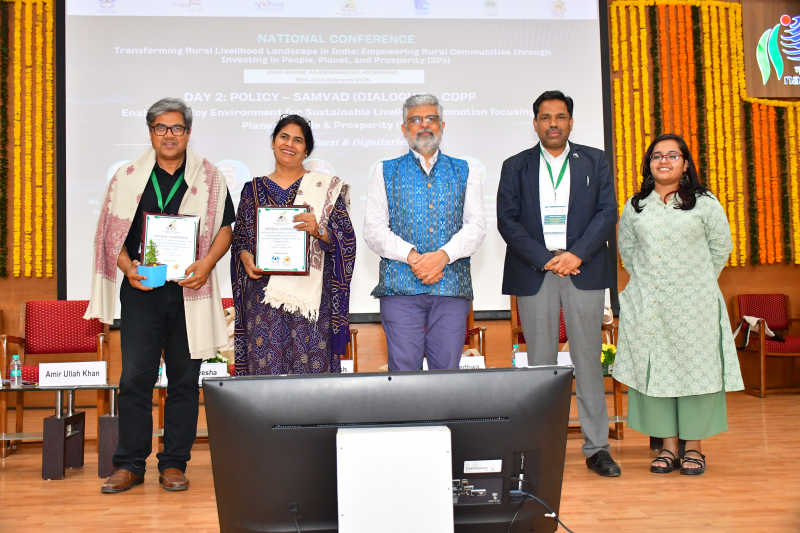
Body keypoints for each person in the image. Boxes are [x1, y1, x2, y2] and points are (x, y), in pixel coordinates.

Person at [85, 97, 236, 493]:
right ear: (150, 132)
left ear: (188, 132)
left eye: (177, 128)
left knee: (185, 381)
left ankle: (173, 464)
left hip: (190, 291)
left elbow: (226, 228)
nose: (169, 135)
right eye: (161, 128)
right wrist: (127, 268)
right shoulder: (127, 177)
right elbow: (110, 235)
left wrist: (207, 265)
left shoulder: (210, 177)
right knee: (135, 378)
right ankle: (130, 464)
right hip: (143, 289)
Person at [497, 90, 621, 477]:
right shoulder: (515, 166)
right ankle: (540, 449)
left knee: (588, 362)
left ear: (571, 122)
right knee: (541, 366)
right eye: (546, 117)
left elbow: (607, 212)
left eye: (561, 117)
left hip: (583, 269)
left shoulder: (595, 161)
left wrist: (576, 255)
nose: (553, 124)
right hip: (537, 271)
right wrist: (545, 258)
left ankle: (597, 448)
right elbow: (507, 220)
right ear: (535, 123)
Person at [612, 133, 744, 475]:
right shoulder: (636, 206)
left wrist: (695, 281)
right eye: (657, 155)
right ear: (649, 164)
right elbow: (628, 252)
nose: (664, 161)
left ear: (685, 164)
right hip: (649, 304)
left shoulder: (704, 203)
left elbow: (721, 247)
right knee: (656, 369)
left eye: (673, 155)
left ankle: (694, 448)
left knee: (694, 371)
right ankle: (668, 448)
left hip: (694, 305)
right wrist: (651, 282)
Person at [364, 94, 486, 371]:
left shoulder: (466, 170)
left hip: (450, 287)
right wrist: (413, 257)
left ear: (442, 125)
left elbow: (476, 226)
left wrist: (443, 256)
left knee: (446, 375)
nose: (424, 125)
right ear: (404, 128)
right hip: (400, 289)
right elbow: (374, 230)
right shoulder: (384, 170)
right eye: (416, 120)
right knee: (404, 373)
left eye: (431, 118)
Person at [231, 114, 355, 375]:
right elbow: (240, 237)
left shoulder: (325, 189)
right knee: (266, 379)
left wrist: (319, 230)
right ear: (273, 142)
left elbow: (346, 239)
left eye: (298, 140)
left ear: (306, 150)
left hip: (311, 304)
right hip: (264, 300)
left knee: (310, 379)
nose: (289, 144)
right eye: (284, 137)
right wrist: (244, 257)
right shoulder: (252, 189)